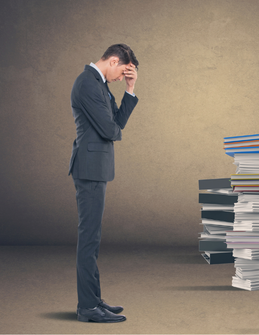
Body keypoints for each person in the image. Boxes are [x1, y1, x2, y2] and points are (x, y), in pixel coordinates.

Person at [68, 44, 139, 323]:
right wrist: (113, 126)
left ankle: (94, 299)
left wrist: (130, 91)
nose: (122, 77)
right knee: (89, 238)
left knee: (93, 238)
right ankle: (87, 307)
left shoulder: (99, 83)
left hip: (95, 169)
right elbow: (111, 130)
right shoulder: (87, 83)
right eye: (123, 72)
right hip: (89, 169)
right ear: (112, 60)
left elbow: (117, 122)